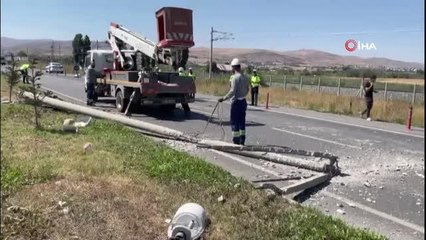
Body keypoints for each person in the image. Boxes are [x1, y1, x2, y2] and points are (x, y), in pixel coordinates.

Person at [218, 58, 250, 145]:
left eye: (232, 68)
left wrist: (223, 98)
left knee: (234, 122)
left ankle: (236, 141)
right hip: (243, 101)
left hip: (236, 103)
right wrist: (242, 95)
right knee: (242, 121)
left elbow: (232, 91)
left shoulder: (235, 78)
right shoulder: (245, 77)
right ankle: (242, 140)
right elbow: (247, 89)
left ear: (234, 68)